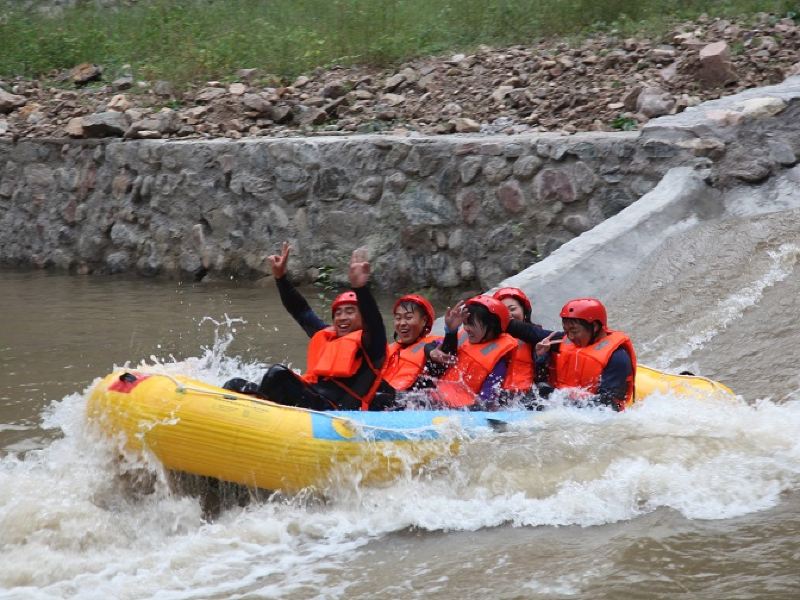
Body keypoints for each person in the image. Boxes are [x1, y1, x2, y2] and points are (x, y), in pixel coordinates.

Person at [223, 242, 393, 411]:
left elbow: (375, 323)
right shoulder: (327, 336)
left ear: (363, 320)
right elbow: (301, 311)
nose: (342, 317)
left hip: (333, 410)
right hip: (311, 398)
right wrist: (281, 278)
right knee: (235, 384)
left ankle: (255, 412)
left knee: (278, 374)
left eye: (350, 311)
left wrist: (360, 289)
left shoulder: (372, 347)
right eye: (338, 313)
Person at [536, 298, 636, 411]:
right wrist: (541, 357)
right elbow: (530, 332)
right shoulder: (562, 343)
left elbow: (608, 406)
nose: (570, 337)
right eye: (566, 331)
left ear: (595, 326)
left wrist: (558, 397)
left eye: (574, 331)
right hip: (567, 408)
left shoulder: (617, 357)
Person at [430, 295, 518, 410]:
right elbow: (432, 346)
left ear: (491, 326)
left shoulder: (498, 363)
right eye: (465, 323)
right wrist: (450, 331)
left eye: (471, 324)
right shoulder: (462, 340)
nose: (466, 328)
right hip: (434, 401)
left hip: (461, 410)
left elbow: (487, 400)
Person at [381, 294, 442, 392]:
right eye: (398, 318)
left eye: (408, 317)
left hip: (413, 400)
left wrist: (451, 331)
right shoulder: (389, 350)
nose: (402, 323)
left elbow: (446, 348)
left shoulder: (434, 345)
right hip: (390, 397)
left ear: (424, 321)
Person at [493, 287, 537, 395]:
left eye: (512, 309)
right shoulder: (486, 338)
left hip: (526, 398)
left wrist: (540, 356)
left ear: (525, 312)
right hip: (497, 399)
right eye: (502, 310)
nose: (508, 314)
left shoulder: (537, 337)